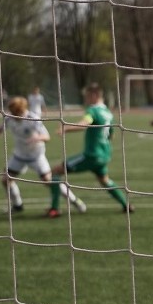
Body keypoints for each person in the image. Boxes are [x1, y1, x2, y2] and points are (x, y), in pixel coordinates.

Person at [0, 96, 83, 214]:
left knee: (49, 182)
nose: (12, 114)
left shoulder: (32, 118)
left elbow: (47, 136)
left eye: (14, 111)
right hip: (19, 155)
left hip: (36, 156)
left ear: (20, 110)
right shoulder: (9, 119)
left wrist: (37, 137)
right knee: (5, 180)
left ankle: (75, 201)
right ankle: (18, 205)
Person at [48, 83, 133, 215]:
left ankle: (54, 209)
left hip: (91, 155)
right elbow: (111, 135)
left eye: (87, 96)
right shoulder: (107, 113)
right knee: (105, 180)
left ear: (94, 95)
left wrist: (66, 128)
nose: (85, 100)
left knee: (55, 172)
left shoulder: (93, 110)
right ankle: (126, 204)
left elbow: (85, 123)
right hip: (104, 155)